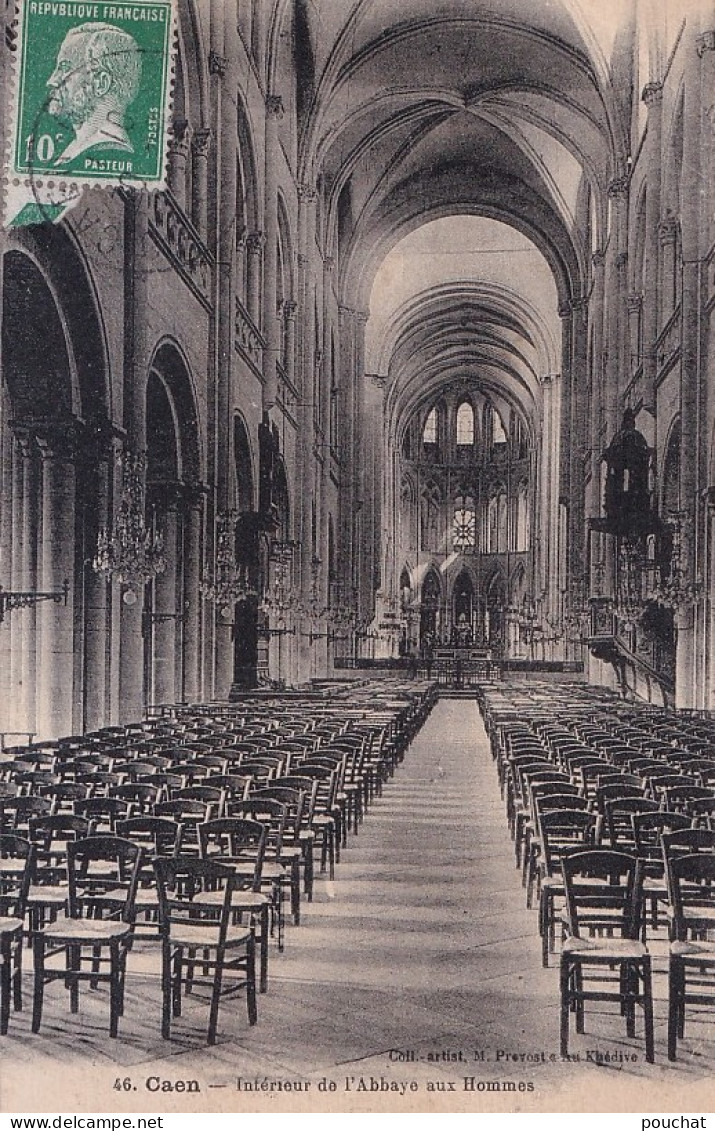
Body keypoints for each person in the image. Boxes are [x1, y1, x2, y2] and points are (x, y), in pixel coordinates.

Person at [46, 22, 142, 165]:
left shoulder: (108, 150)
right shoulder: (76, 149)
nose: (51, 81)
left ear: (101, 83)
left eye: (66, 68)